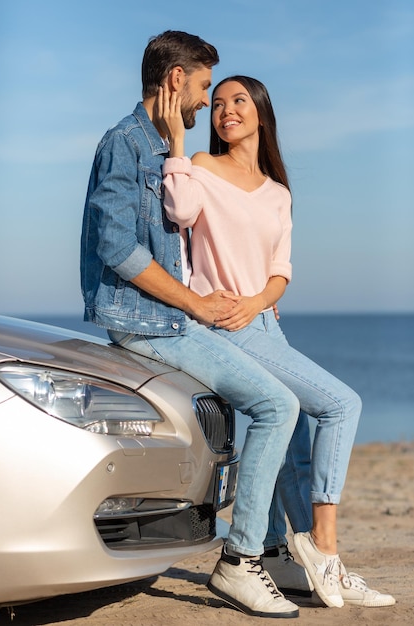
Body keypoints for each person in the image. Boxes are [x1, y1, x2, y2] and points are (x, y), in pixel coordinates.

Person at [81, 31, 302, 619]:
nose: (208, 103)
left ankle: (268, 547)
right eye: (205, 87)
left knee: (273, 406)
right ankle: (241, 561)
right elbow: (116, 248)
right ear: (176, 79)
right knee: (278, 407)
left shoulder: (160, 145)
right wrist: (198, 306)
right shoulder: (125, 143)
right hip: (150, 322)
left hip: (173, 319)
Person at [160, 74, 396, 608]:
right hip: (226, 326)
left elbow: (280, 273)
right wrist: (177, 142)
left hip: (265, 322)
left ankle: (292, 561)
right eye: (217, 103)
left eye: (238, 101)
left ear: (261, 113)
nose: (225, 110)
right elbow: (179, 212)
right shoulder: (201, 166)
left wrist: (260, 302)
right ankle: (324, 548)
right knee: (341, 404)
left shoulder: (278, 193)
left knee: (294, 452)